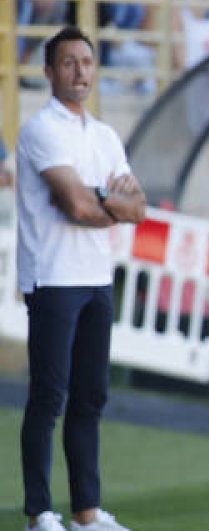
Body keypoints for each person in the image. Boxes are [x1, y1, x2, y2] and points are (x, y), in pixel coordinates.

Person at [17, 27, 146, 531]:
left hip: (96, 276)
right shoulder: (41, 130)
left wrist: (105, 202)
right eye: (68, 63)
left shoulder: (105, 135)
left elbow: (138, 205)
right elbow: (73, 204)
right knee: (49, 395)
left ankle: (87, 511)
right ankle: (38, 511)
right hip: (53, 276)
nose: (80, 72)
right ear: (49, 71)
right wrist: (109, 202)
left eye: (87, 62)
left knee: (91, 396)